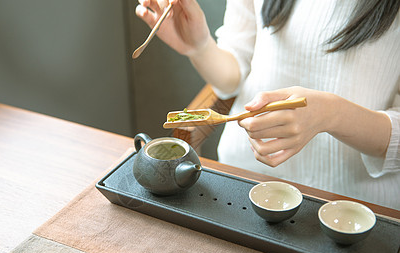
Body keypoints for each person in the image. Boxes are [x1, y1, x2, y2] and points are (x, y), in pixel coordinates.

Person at [136, 0, 400, 210]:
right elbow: (234, 73)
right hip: (241, 179)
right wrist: (199, 47)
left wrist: (332, 114)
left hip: (353, 207)